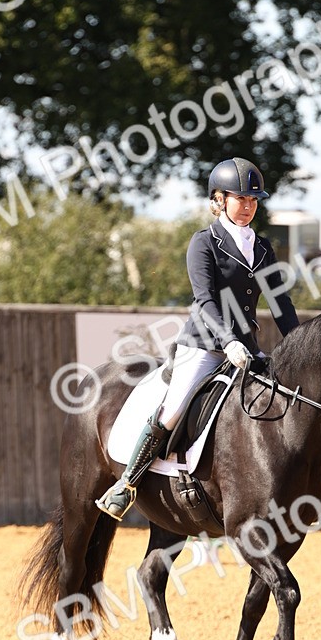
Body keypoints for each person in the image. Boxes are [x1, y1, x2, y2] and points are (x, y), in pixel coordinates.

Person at [96, 156, 300, 521]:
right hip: (204, 345)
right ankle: (126, 482)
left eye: (253, 200)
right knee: (173, 409)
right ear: (219, 200)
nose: (248, 206)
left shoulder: (264, 247)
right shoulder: (203, 243)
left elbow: (281, 304)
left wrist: (298, 346)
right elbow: (205, 300)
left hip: (248, 349)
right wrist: (228, 341)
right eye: (241, 199)